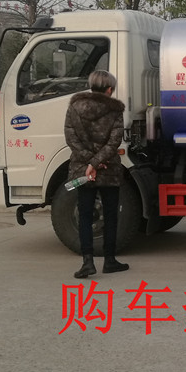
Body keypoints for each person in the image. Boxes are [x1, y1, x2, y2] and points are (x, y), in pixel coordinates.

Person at [64, 70, 129, 278]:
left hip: (82, 170)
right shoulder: (115, 110)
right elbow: (114, 141)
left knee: (84, 215)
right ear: (109, 89)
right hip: (108, 169)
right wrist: (97, 162)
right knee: (110, 215)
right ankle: (109, 260)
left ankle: (87, 262)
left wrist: (90, 162)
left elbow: (71, 138)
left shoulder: (74, 107)